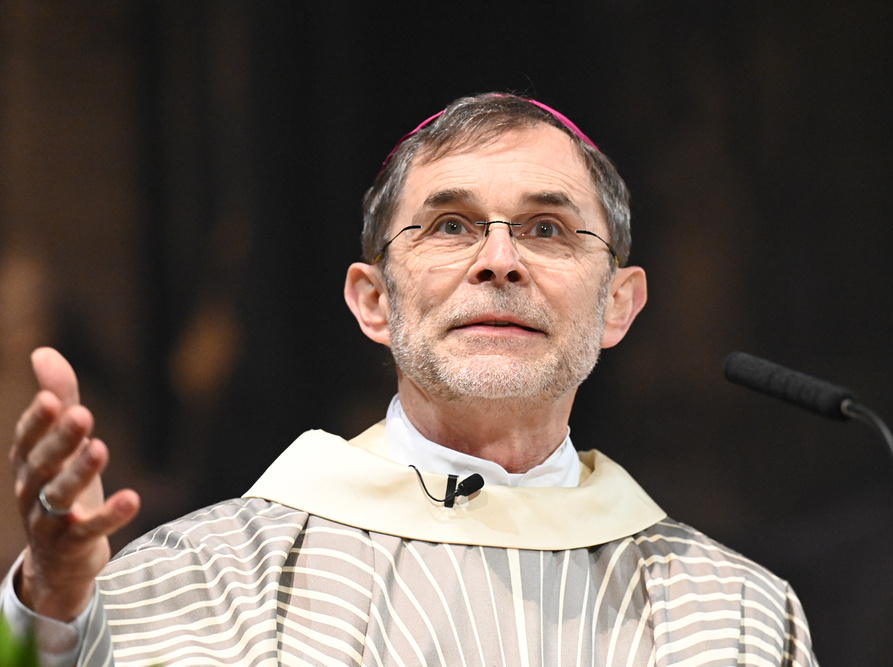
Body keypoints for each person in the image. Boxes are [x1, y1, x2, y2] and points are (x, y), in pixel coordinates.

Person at [4, 93, 819, 666]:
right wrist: (51, 605)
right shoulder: (212, 576)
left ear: (617, 304)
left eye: (546, 228)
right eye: (451, 225)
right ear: (375, 301)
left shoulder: (734, 615)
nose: (499, 260)